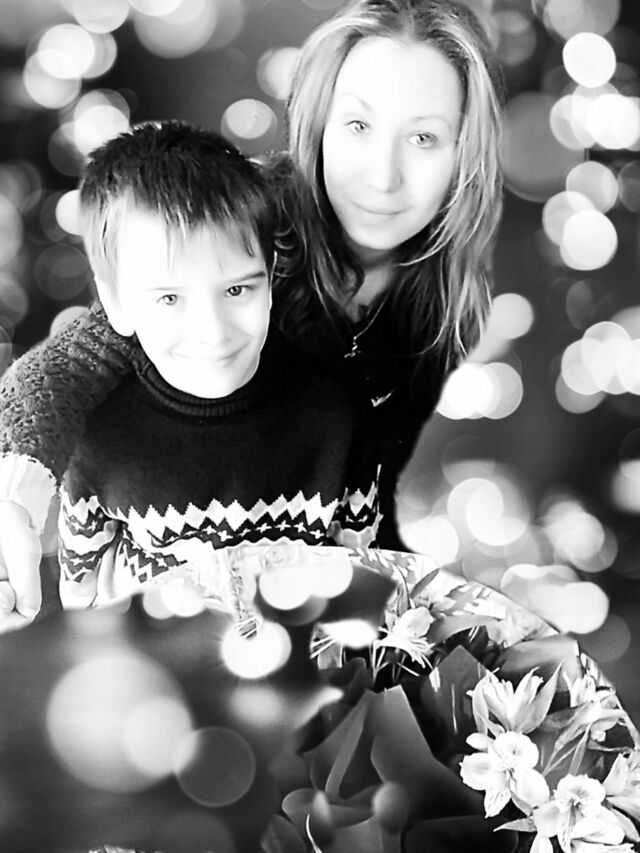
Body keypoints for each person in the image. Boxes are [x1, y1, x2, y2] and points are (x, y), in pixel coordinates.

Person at [0, 0, 504, 625]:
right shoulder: (243, 225)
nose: (382, 176)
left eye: (424, 137)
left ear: (466, 152)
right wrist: (18, 492)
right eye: (357, 125)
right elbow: (74, 359)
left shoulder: (471, 301)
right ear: (317, 123)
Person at [56, 120, 380, 610]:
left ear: (270, 279)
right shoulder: (94, 433)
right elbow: (79, 593)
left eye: (236, 289)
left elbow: (364, 583)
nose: (213, 331)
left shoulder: (337, 413)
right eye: (169, 298)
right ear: (116, 302)